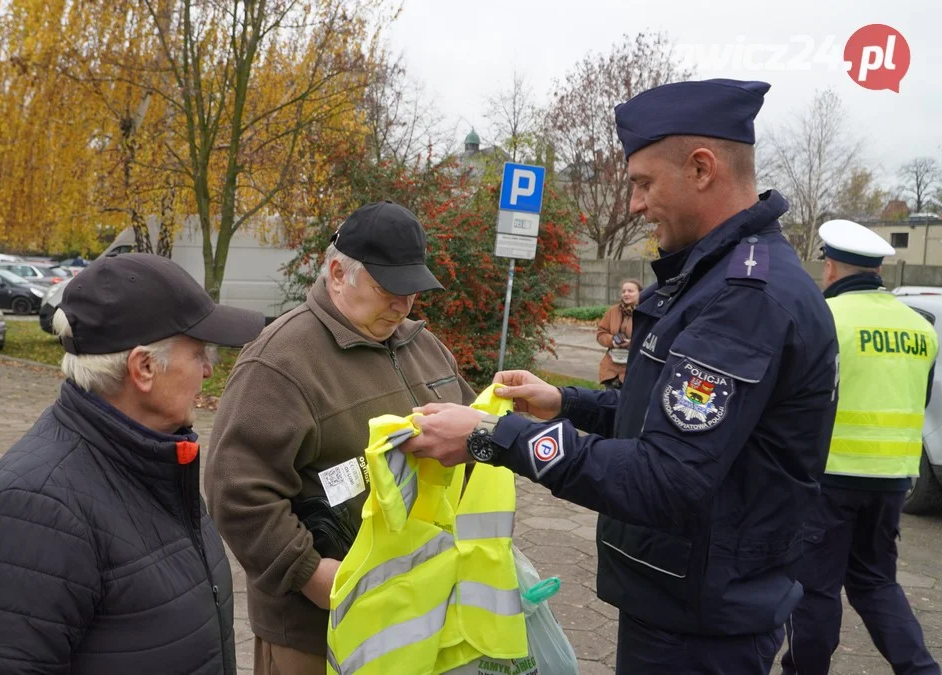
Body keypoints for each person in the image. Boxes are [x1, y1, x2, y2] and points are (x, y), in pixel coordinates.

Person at [401, 79, 840, 674]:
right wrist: (565, 403)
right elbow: (669, 421)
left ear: (702, 168)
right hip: (686, 602)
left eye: (642, 183)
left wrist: (490, 436)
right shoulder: (711, 280)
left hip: (702, 629)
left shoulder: (744, 299)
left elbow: (666, 476)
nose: (634, 204)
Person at [0, 254, 265, 674]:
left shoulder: (157, 461)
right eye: (199, 353)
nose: (209, 370)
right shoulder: (34, 512)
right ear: (145, 368)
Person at [205, 200, 476, 674]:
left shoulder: (424, 346)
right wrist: (312, 575)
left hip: (418, 612)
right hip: (317, 631)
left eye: (411, 290)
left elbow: (470, 433)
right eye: (388, 288)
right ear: (336, 273)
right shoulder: (280, 362)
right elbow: (236, 492)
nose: (403, 304)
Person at [780, 220, 940, 675]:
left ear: (830, 267)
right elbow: (921, 398)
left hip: (828, 478)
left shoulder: (825, 318)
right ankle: (921, 670)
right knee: (876, 584)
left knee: (815, 591)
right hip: (894, 482)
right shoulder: (919, 327)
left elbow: (796, 400)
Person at [596, 279, 641, 389]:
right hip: (611, 370)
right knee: (609, 403)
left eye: (630, 291)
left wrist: (632, 343)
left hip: (634, 370)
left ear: (640, 293)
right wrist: (612, 341)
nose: (626, 294)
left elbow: (651, 338)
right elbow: (601, 333)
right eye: (623, 291)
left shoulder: (646, 312)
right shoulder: (613, 311)